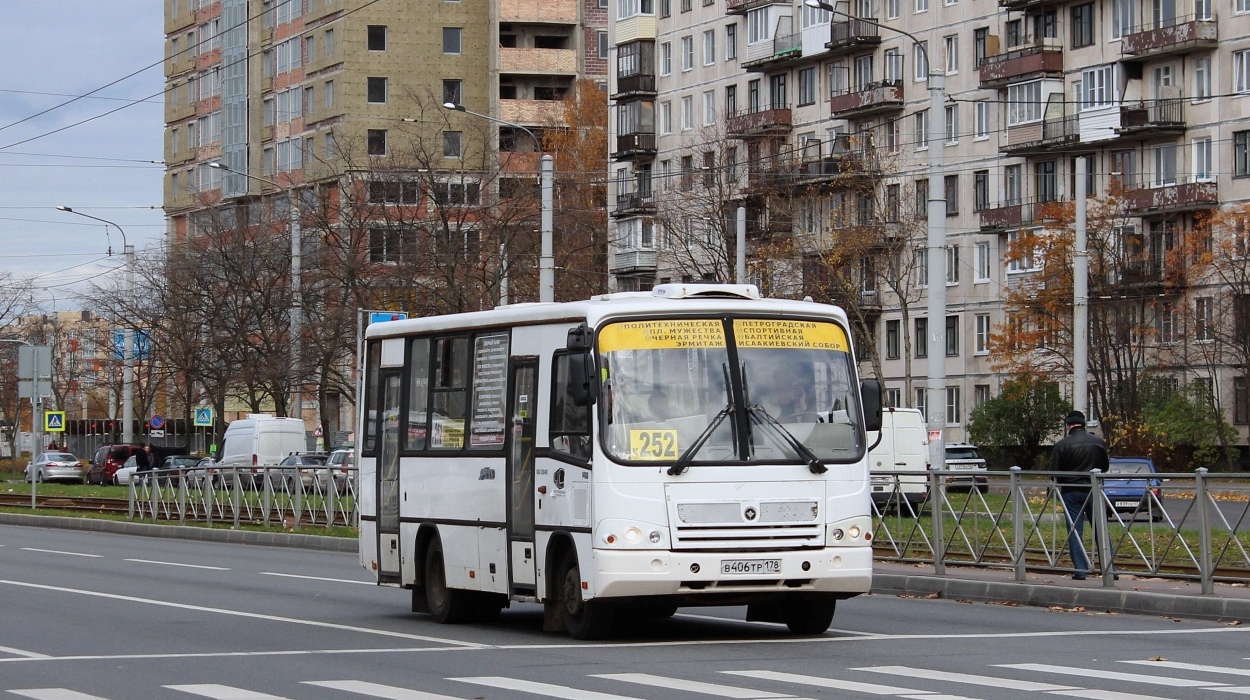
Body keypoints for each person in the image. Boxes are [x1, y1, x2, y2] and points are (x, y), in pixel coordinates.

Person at [1051, 410, 1109, 580]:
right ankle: (1109, 568)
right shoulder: (1098, 442)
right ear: (1083, 424)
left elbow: (1054, 472)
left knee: (1075, 531)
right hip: (1093, 490)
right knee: (1101, 529)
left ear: (1068, 425)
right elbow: (1104, 467)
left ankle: (1080, 570)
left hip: (1071, 492)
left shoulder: (1061, 445)